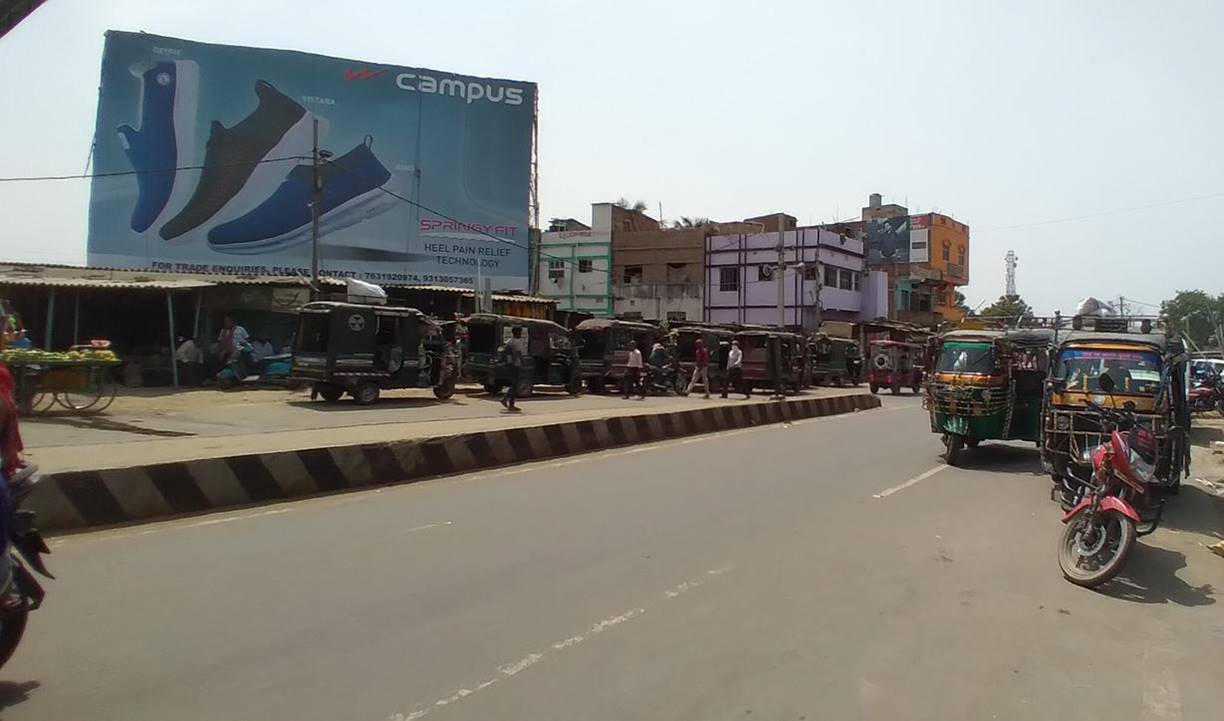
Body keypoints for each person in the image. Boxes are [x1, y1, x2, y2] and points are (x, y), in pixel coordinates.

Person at [500, 326, 526, 411]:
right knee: (515, 385)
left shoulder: (509, 341)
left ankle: (507, 401)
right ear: (518, 332)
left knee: (514, 384)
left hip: (509, 364)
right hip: (516, 364)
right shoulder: (518, 341)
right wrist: (523, 362)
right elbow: (519, 353)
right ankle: (508, 402)